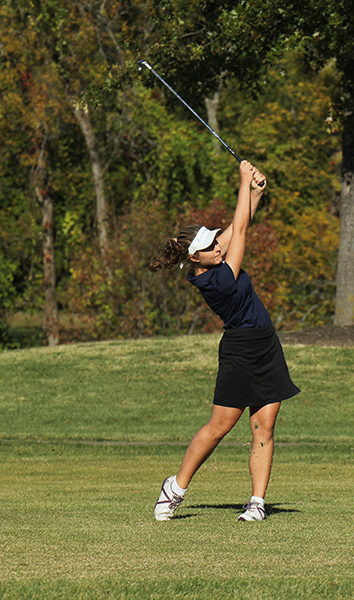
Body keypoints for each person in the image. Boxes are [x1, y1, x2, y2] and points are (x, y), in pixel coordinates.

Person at [147, 160, 300, 522]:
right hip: (240, 352)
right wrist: (242, 182)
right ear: (194, 258)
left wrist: (255, 194)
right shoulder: (213, 280)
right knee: (219, 428)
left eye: (215, 242)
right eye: (208, 246)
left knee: (265, 425)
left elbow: (235, 227)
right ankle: (176, 488)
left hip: (266, 344)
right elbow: (242, 232)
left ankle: (256, 503)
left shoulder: (212, 255)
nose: (217, 246)